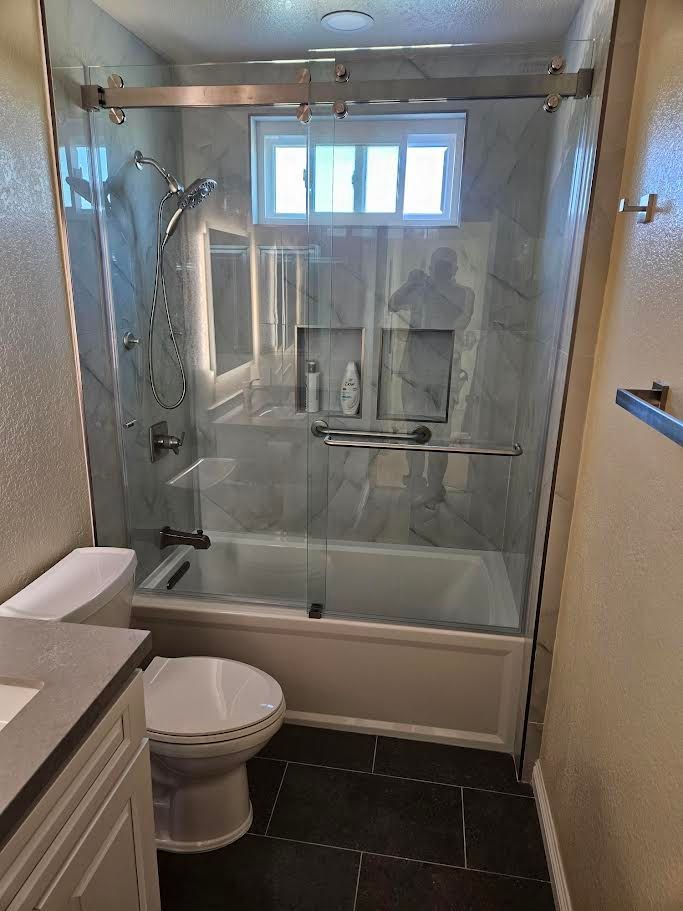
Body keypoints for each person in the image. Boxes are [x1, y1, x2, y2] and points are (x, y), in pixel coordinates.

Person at [388, 247, 475, 509]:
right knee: (413, 433)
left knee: (440, 437)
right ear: (431, 266)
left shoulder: (464, 294)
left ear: (455, 268)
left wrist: (428, 290)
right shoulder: (419, 290)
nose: (442, 269)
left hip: (443, 377)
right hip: (413, 374)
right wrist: (410, 283)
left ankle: (435, 487)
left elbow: (456, 323)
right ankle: (415, 481)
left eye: (447, 265)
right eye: (438, 264)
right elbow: (392, 304)